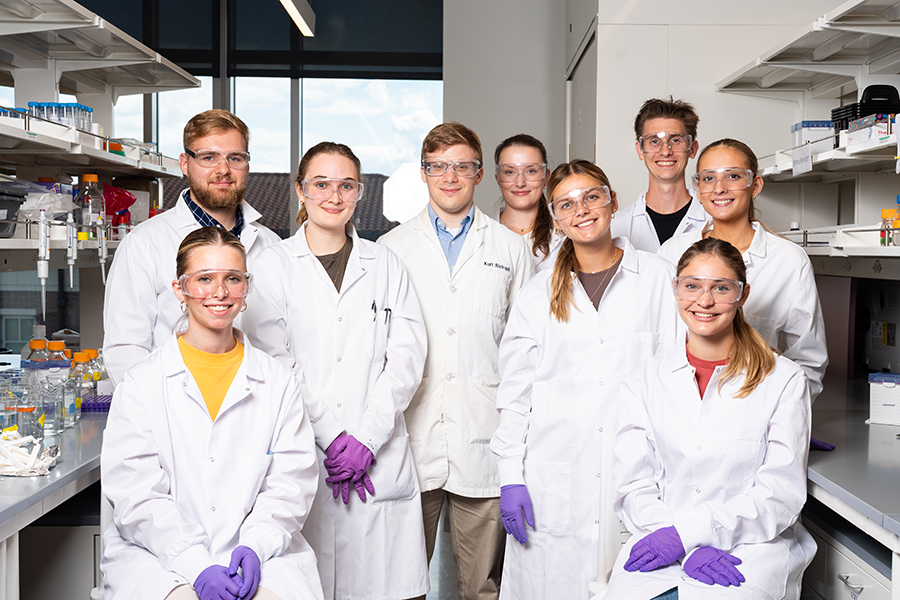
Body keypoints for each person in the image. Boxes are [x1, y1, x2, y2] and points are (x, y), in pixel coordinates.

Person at [242, 142, 429, 600]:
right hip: (306, 450)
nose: (333, 195)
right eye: (320, 184)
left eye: (346, 185)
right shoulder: (270, 267)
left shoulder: (385, 264)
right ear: (300, 191)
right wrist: (334, 437)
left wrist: (365, 438)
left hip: (378, 453)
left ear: (359, 192)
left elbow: (407, 358)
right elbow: (276, 361)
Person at [490, 159, 682, 600]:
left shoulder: (658, 280)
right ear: (554, 218)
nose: (583, 210)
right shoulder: (537, 293)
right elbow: (515, 395)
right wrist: (509, 477)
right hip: (553, 476)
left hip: (639, 474)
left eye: (592, 196)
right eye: (567, 204)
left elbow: (679, 375)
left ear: (612, 201)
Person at [100, 226, 323, 600]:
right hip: (157, 556)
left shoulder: (278, 381)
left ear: (247, 289)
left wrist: (255, 545)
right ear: (179, 290)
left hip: (260, 552)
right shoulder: (141, 383)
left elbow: (290, 485)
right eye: (204, 279)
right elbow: (136, 496)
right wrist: (194, 564)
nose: (219, 293)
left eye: (232, 279)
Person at [602, 237, 816, 600]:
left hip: (747, 552)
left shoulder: (784, 380)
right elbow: (633, 485)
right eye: (691, 286)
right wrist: (680, 543)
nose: (704, 301)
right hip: (661, 545)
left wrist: (691, 536)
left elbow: (779, 495)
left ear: (742, 294)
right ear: (676, 290)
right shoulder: (645, 381)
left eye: (721, 288)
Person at [378, 122, 534, 600]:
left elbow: (526, 351)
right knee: (399, 584)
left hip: (484, 439)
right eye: (439, 167)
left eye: (462, 167)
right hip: (410, 437)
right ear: (423, 173)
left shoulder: (511, 249)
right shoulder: (392, 250)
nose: (451, 177)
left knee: (483, 588)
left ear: (480, 174)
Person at [103, 109, 281, 385]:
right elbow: (125, 349)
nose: (223, 170)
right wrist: (156, 413)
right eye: (209, 157)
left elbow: (282, 345)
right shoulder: (144, 243)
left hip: (259, 410)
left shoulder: (272, 246)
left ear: (246, 164)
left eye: (235, 158)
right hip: (172, 409)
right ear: (185, 163)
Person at [657, 138, 827, 400]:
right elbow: (658, 339)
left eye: (733, 176)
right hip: (676, 402)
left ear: (755, 185)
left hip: (753, 405)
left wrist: (780, 415)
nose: (719, 188)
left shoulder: (788, 260)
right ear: (698, 188)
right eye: (708, 178)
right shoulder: (671, 253)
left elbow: (808, 361)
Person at [611, 98, 707, 252]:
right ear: (640, 150)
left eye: (675, 140)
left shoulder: (712, 220)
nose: (665, 151)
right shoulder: (616, 227)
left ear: (693, 149)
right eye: (654, 141)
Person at [493, 133, 563, 272]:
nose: (520, 183)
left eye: (531, 171)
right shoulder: (480, 237)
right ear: (498, 179)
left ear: (546, 177)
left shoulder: (566, 236)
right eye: (509, 172)